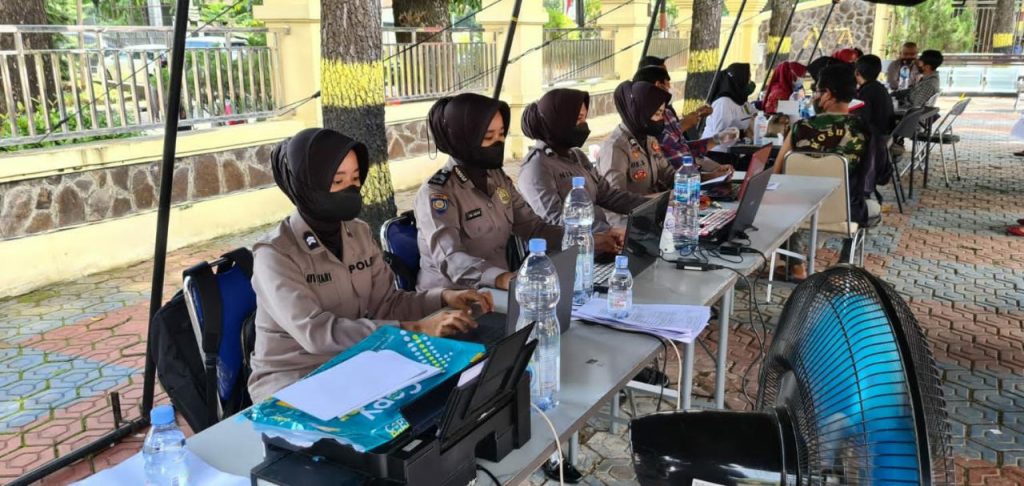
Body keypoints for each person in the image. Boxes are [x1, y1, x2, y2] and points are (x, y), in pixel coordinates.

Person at [247, 128, 494, 403]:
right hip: (294, 381)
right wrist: (417, 330)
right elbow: (317, 334)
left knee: (455, 390)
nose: (350, 189)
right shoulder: (275, 254)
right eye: (338, 180)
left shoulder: (358, 233)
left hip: (357, 364)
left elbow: (387, 303)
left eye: (355, 178)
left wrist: (445, 297)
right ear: (307, 184)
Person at [414, 93, 575, 291]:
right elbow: (452, 260)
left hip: (501, 293)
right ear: (463, 138)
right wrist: (502, 278)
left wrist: (580, 239)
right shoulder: (436, 194)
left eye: (501, 134)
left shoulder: (497, 178)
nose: (498, 143)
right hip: (451, 304)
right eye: (488, 137)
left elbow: (533, 228)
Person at [774, 64, 878, 281]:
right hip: (846, 213)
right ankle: (844, 265)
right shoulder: (865, 130)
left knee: (779, 199)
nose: (814, 97)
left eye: (817, 92)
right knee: (871, 202)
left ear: (828, 94)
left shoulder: (799, 128)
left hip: (800, 213)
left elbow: (777, 172)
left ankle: (797, 266)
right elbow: (877, 176)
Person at [516, 88, 646, 241]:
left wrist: (651, 206)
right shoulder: (536, 167)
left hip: (601, 242)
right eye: (578, 119)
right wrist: (606, 232)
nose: (584, 125)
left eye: (584, 118)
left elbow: (608, 195)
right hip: (565, 253)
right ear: (559, 121)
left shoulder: (577, 156)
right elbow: (555, 219)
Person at [633, 65, 736, 180]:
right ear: (659, 85)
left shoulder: (668, 114)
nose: (670, 89)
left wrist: (717, 140)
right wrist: (712, 176)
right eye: (668, 84)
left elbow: (683, 148)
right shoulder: (648, 123)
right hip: (682, 182)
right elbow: (674, 163)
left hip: (694, 175)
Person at [596, 80, 675, 218]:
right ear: (641, 112)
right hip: (628, 224)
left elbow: (668, 174)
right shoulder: (615, 147)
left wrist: (694, 182)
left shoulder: (649, 139)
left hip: (654, 214)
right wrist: (665, 197)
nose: (662, 119)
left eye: (662, 113)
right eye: (657, 114)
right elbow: (615, 203)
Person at [854, 54, 895, 194]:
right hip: (883, 140)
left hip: (873, 144)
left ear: (857, 73)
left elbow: (862, 121)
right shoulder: (880, 88)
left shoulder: (866, 92)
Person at [701, 63, 756, 147]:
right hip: (717, 153)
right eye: (748, 79)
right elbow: (719, 136)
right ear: (740, 80)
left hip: (735, 150)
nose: (750, 82)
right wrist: (742, 134)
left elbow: (755, 114)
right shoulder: (723, 103)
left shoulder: (741, 101)